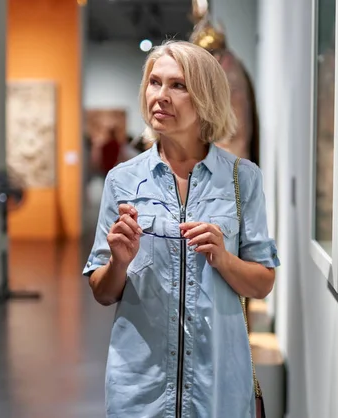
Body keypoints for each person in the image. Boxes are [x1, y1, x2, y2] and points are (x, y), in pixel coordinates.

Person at [82, 40, 280, 418]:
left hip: (218, 384)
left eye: (178, 85)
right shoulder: (122, 180)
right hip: (140, 387)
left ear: (205, 96)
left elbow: (262, 282)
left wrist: (224, 259)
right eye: (154, 83)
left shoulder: (242, 179)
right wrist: (120, 263)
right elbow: (102, 291)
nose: (160, 96)